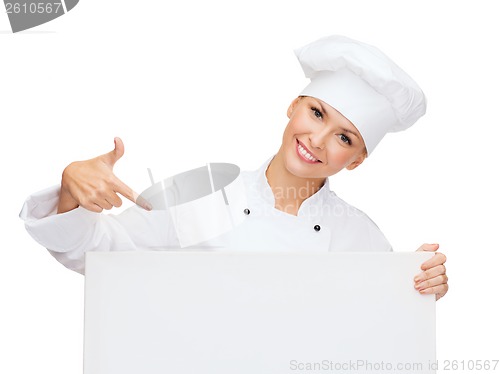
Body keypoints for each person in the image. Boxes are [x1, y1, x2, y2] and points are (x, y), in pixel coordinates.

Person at [20, 35, 448, 300]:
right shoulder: (201, 197)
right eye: (317, 113)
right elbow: (96, 256)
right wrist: (70, 191)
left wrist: (419, 287)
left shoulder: (362, 238)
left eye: (344, 137)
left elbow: (377, 335)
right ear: (293, 107)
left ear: (356, 159)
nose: (317, 140)